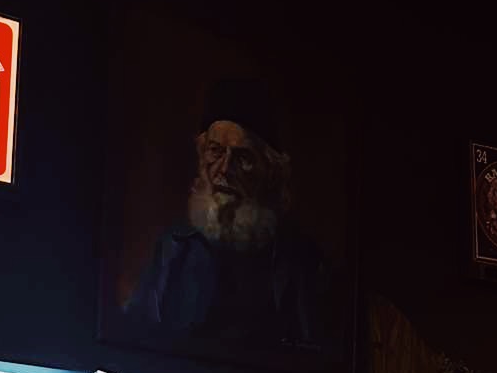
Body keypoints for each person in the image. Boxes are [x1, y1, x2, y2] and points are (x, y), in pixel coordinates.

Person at [123, 77, 340, 356]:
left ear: (269, 170)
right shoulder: (173, 250)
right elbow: (133, 340)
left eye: (243, 157)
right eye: (216, 151)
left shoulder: (303, 263)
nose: (224, 169)